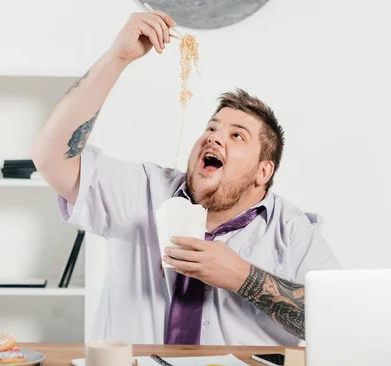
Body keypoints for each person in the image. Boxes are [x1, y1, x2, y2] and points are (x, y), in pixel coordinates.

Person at [32, 8, 340, 346]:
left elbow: (339, 320)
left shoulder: (293, 232)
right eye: (211, 128)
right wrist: (118, 57)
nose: (214, 138)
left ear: (263, 172)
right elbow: (50, 156)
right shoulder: (143, 192)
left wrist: (241, 276)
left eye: (237, 136)